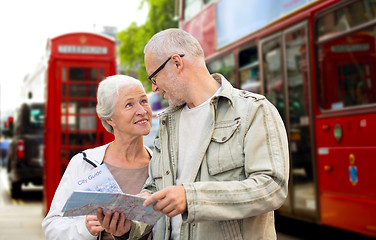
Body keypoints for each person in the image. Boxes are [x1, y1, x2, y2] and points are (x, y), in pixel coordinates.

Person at [102, 28, 289, 240]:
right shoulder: (166, 123)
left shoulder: (253, 111)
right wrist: (128, 226)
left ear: (176, 63)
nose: (154, 89)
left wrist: (191, 198)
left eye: (154, 77)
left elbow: (271, 187)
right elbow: (155, 189)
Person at [42, 75, 154, 240]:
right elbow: (51, 225)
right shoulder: (84, 163)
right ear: (110, 119)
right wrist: (85, 229)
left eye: (143, 101)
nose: (142, 111)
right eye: (129, 104)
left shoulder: (160, 164)